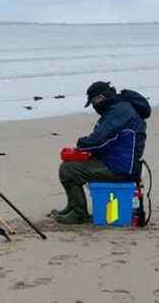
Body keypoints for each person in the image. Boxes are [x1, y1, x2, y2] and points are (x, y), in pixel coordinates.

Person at [53, 81, 152, 224]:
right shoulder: (121, 107)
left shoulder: (119, 111)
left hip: (120, 169)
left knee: (68, 169)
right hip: (119, 163)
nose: (94, 106)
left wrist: (80, 144)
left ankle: (79, 213)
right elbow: (108, 140)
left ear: (101, 97)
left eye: (94, 101)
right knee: (71, 164)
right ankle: (72, 207)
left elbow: (101, 139)